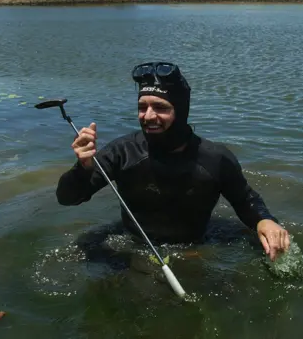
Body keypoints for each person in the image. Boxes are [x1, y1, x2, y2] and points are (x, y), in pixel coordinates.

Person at [56, 62, 290, 261]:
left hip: (195, 248)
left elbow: (245, 199)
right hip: (132, 244)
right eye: (142, 107)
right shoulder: (123, 151)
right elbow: (67, 198)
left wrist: (265, 221)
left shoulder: (215, 158)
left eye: (160, 107)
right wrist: (82, 168)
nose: (148, 116)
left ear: (180, 111)